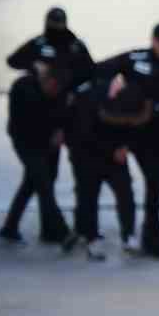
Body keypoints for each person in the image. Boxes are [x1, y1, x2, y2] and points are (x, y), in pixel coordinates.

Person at [93, 23, 159, 258]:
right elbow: (99, 70)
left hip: (158, 137)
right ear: (153, 40)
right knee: (121, 185)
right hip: (128, 134)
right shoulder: (134, 59)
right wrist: (112, 92)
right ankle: (125, 233)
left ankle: (153, 240)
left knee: (154, 190)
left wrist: (153, 110)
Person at [63, 71, 141, 260]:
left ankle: (128, 235)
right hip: (87, 154)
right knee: (88, 196)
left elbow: (131, 125)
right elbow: (83, 133)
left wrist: (125, 146)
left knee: (125, 193)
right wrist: (113, 149)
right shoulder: (88, 99)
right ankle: (91, 239)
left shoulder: (129, 98)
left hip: (114, 155)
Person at [0, 61, 70, 245]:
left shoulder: (59, 89)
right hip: (26, 142)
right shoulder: (23, 89)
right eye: (53, 88)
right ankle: (62, 231)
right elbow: (24, 124)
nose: (55, 93)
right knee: (43, 184)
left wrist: (60, 130)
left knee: (32, 184)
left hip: (48, 141)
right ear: (45, 81)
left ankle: (11, 227)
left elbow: (61, 111)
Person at [7, 7, 94, 86]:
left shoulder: (76, 46)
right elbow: (12, 61)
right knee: (21, 84)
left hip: (69, 90)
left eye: (58, 22)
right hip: (41, 90)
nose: (55, 26)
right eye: (53, 22)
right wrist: (34, 65)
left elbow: (91, 70)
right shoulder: (38, 44)